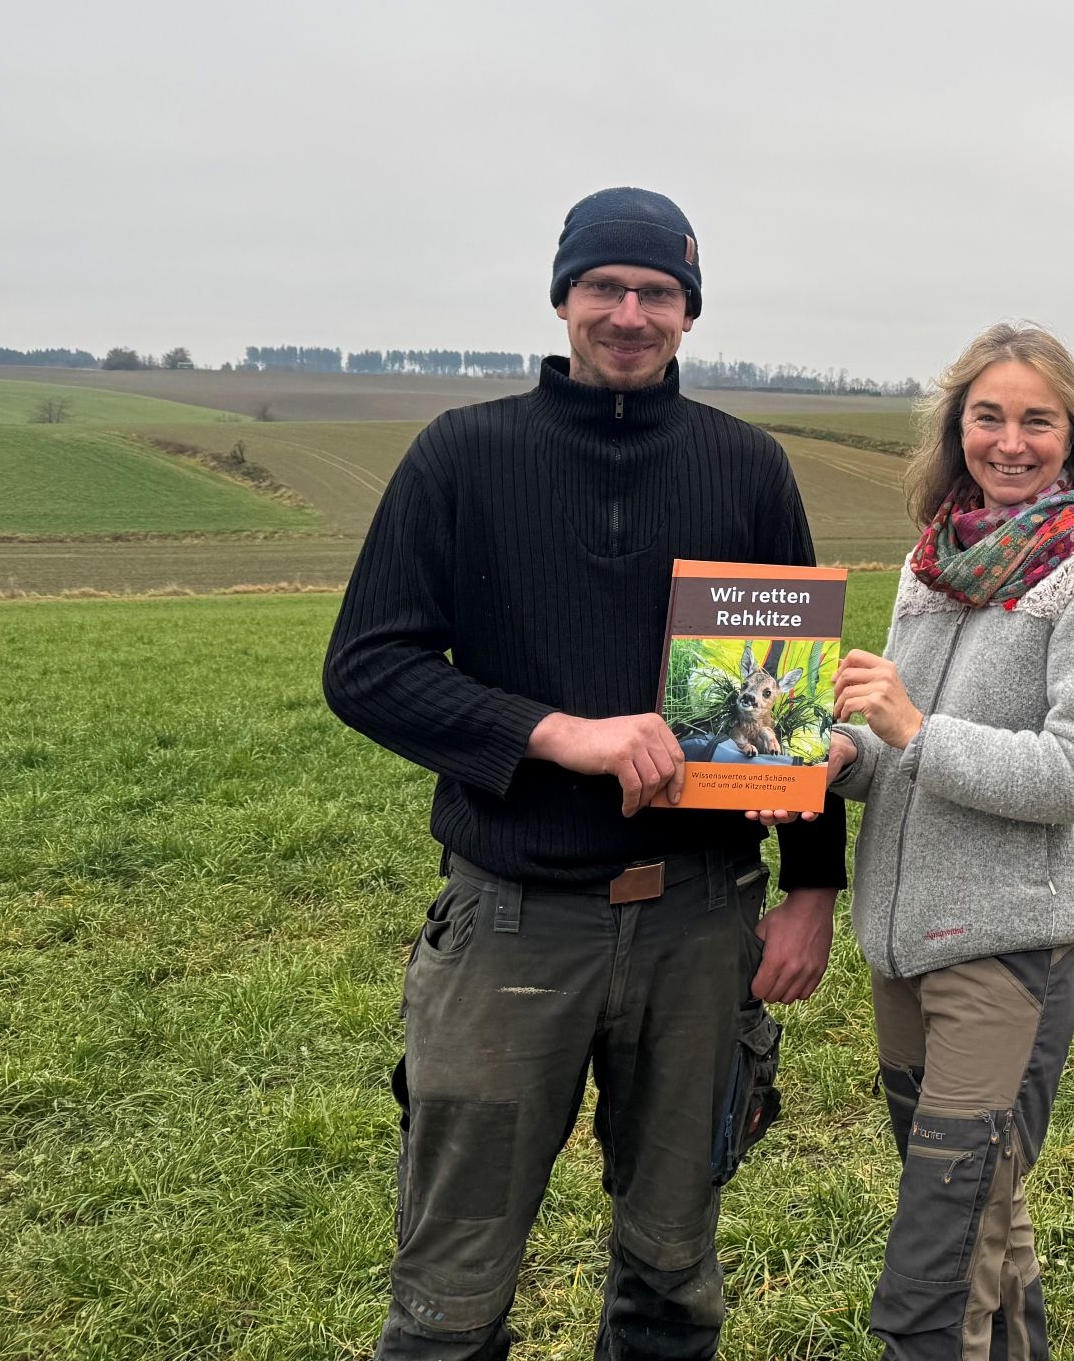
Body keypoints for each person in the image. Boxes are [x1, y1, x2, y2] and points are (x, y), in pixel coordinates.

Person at [323, 186, 846, 1360]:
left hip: (699, 923)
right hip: (511, 924)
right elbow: (365, 668)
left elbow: (794, 697)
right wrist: (558, 732)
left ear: (689, 312)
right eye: (604, 286)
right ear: (562, 297)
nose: (629, 313)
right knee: (450, 1295)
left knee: (672, 1273)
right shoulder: (463, 455)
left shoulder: (745, 466)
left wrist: (813, 886)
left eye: (658, 292)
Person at [824, 322, 1074, 1361]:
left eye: (1036, 421)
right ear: (955, 428)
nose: (1008, 442)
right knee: (984, 1217)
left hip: (1004, 956)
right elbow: (901, 753)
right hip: (900, 947)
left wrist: (914, 733)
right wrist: (842, 758)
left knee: (936, 1264)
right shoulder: (934, 561)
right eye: (987, 417)